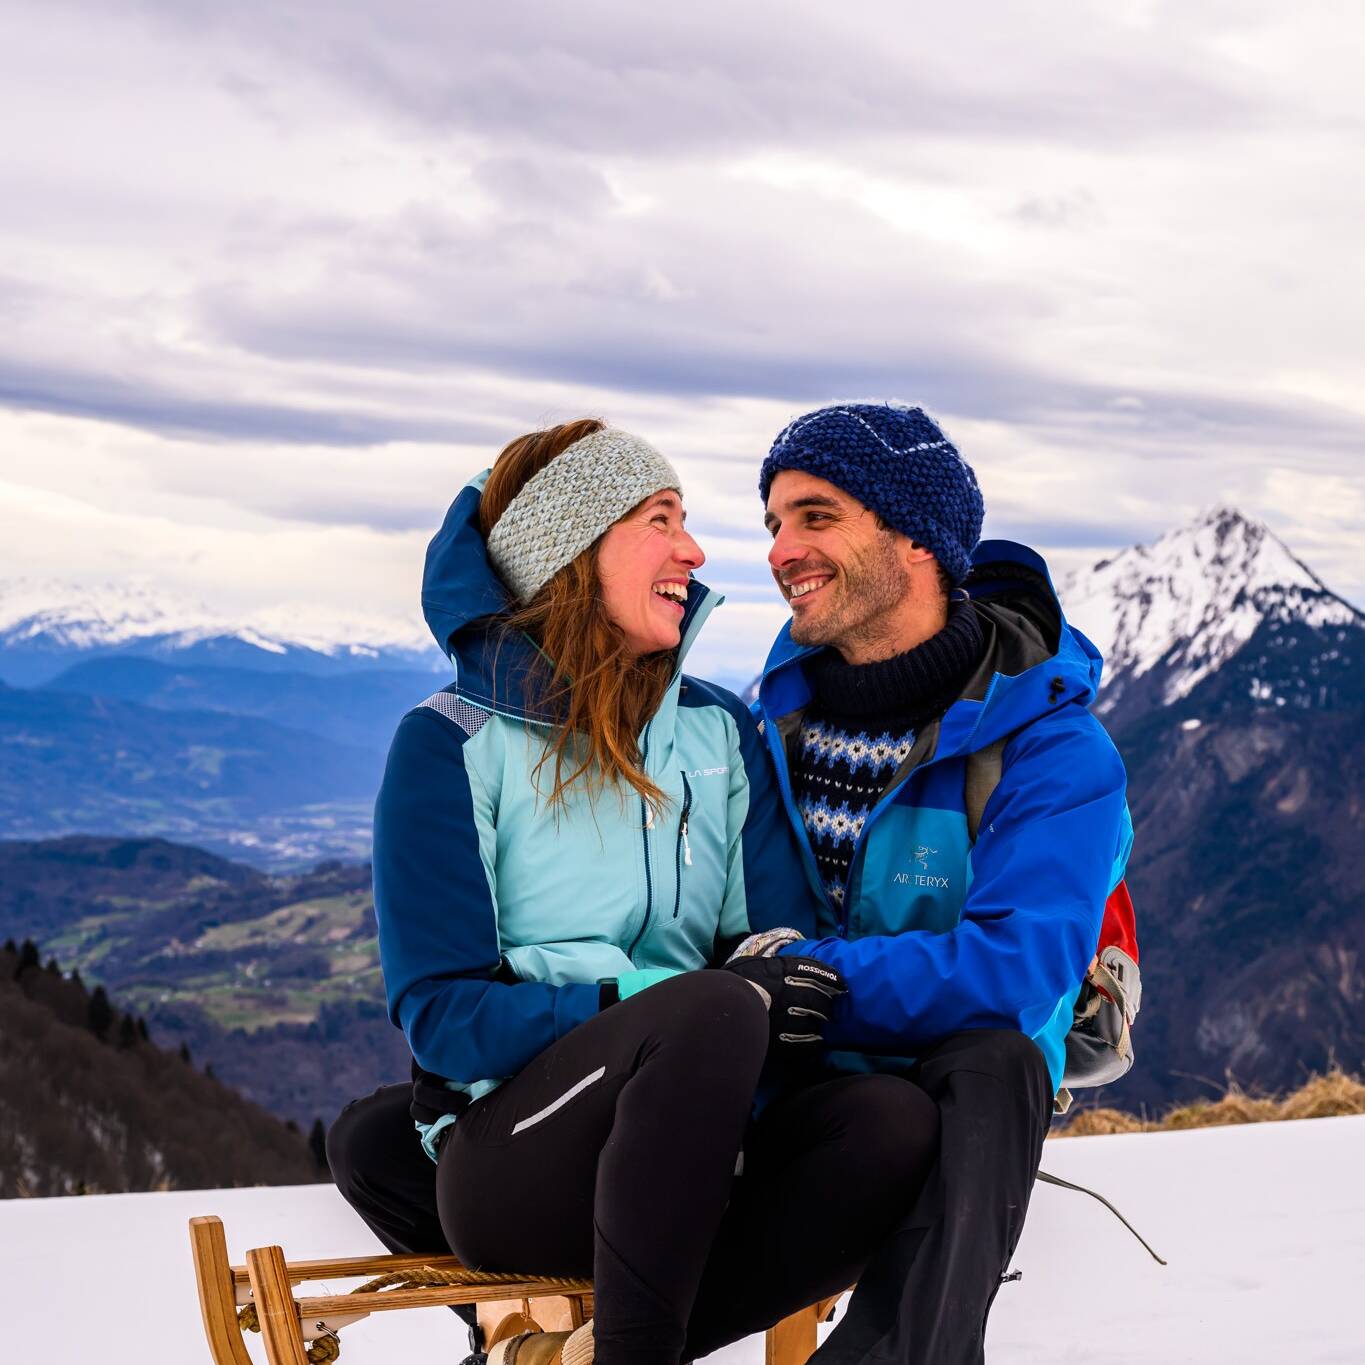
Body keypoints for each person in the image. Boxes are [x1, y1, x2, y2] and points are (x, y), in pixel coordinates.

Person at [327, 418, 941, 1365]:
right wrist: (650, 999)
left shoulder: (717, 731)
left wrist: (769, 981)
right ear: (571, 550)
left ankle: (584, 1353)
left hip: (704, 1141)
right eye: (660, 519)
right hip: (522, 1155)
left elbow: (779, 941)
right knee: (701, 1011)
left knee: (891, 1125)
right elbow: (442, 1015)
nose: (694, 551)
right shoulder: (451, 743)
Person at [733, 402, 1134, 1365]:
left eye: (815, 516)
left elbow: (1014, 973)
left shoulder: (1050, 747)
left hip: (949, 1096)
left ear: (915, 537)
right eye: (773, 522)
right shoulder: (765, 728)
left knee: (994, 1061)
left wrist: (805, 982)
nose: (783, 548)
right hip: (793, 1097)